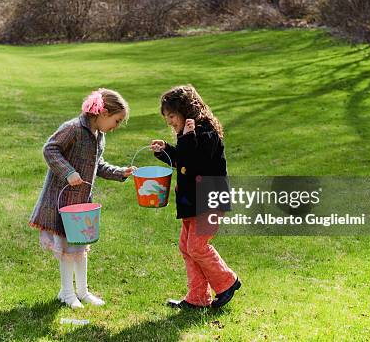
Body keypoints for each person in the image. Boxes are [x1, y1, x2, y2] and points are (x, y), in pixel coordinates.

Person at [29, 89, 135, 309]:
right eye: (116, 121)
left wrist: (120, 172)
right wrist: (68, 172)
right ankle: (67, 294)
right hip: (62, 202)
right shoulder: (73, 129)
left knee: (80, 248)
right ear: (103, 113)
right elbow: (50, 149)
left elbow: (98, 165)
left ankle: (82, 291)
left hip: (82, 203)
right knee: (67, 250)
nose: (115, 127)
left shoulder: (99, 135)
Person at [151, 85, 240, 309]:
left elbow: (195, 164)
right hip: (193, 200)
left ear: (185, 110)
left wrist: (187, 138)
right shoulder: (188, 132)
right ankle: (198, 297)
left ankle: (227, 281)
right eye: (167, 118)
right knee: (186, 246)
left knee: (198, 247)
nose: (169, 121)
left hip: (210, 197)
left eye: (171, 116)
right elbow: (184, 160)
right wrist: (166, 151)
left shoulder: (206, 131)